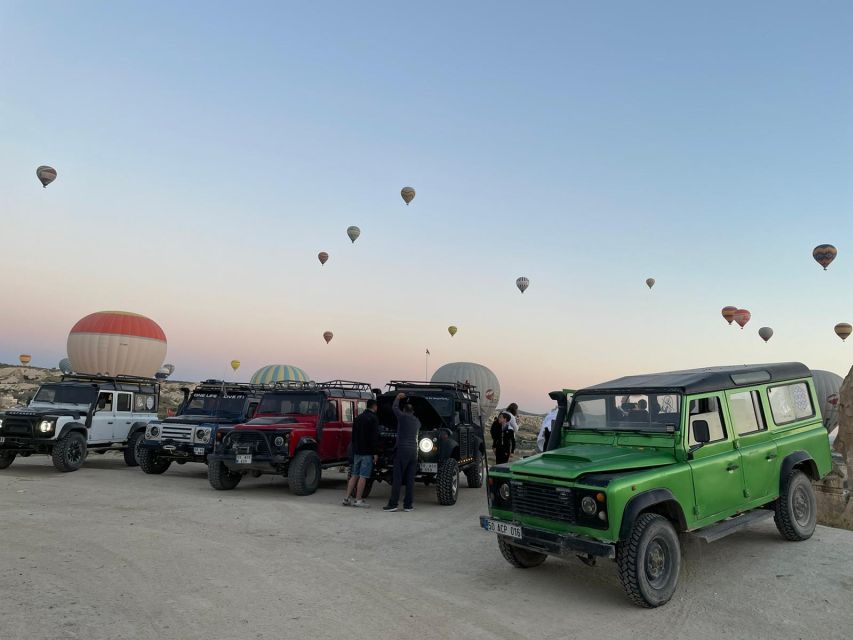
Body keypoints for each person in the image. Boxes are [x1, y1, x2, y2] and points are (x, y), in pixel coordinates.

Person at [384, 393, 420, 512]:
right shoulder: (417, 421)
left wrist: (398, 398)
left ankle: (393, 504)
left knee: (398, 478)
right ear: (413, 411)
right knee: (410, 480)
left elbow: (394, 408)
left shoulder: (403, 417)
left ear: (404, 410)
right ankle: (408, 505)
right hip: (414, 452)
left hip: (402, 451)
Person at [343, 399, 380, 507]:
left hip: (357, 452)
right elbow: (374, 438)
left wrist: (354, 450)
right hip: (367, 453)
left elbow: (353, 437)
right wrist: (375, 453)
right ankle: (358, 500)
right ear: (374, 407)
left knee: (354, 475)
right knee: (363, 476)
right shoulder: (373, 418)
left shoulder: (358, 418)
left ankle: (346, 498)